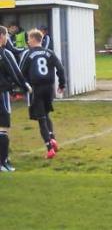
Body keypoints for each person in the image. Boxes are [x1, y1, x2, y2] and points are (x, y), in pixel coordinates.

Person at [20, 30, 66, 159]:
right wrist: (62, 84)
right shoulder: (49, 53)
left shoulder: (29, 54)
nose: (28, 41)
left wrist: (22, 86)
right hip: (49, 88)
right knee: (46, 114)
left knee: (41, 118)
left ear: (34, 39)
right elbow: (60, 68)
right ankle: (52, 138)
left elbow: (20, 71)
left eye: (29, 39)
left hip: (37, 88)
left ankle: (49, 148)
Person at [0, 25, 32, 172]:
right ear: (2, 36)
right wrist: (25, 87)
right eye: (6, 36)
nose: (7, 39)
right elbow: (15, 73)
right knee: (3, 129)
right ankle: (3, 162)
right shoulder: (4, 53)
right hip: (1, 94)